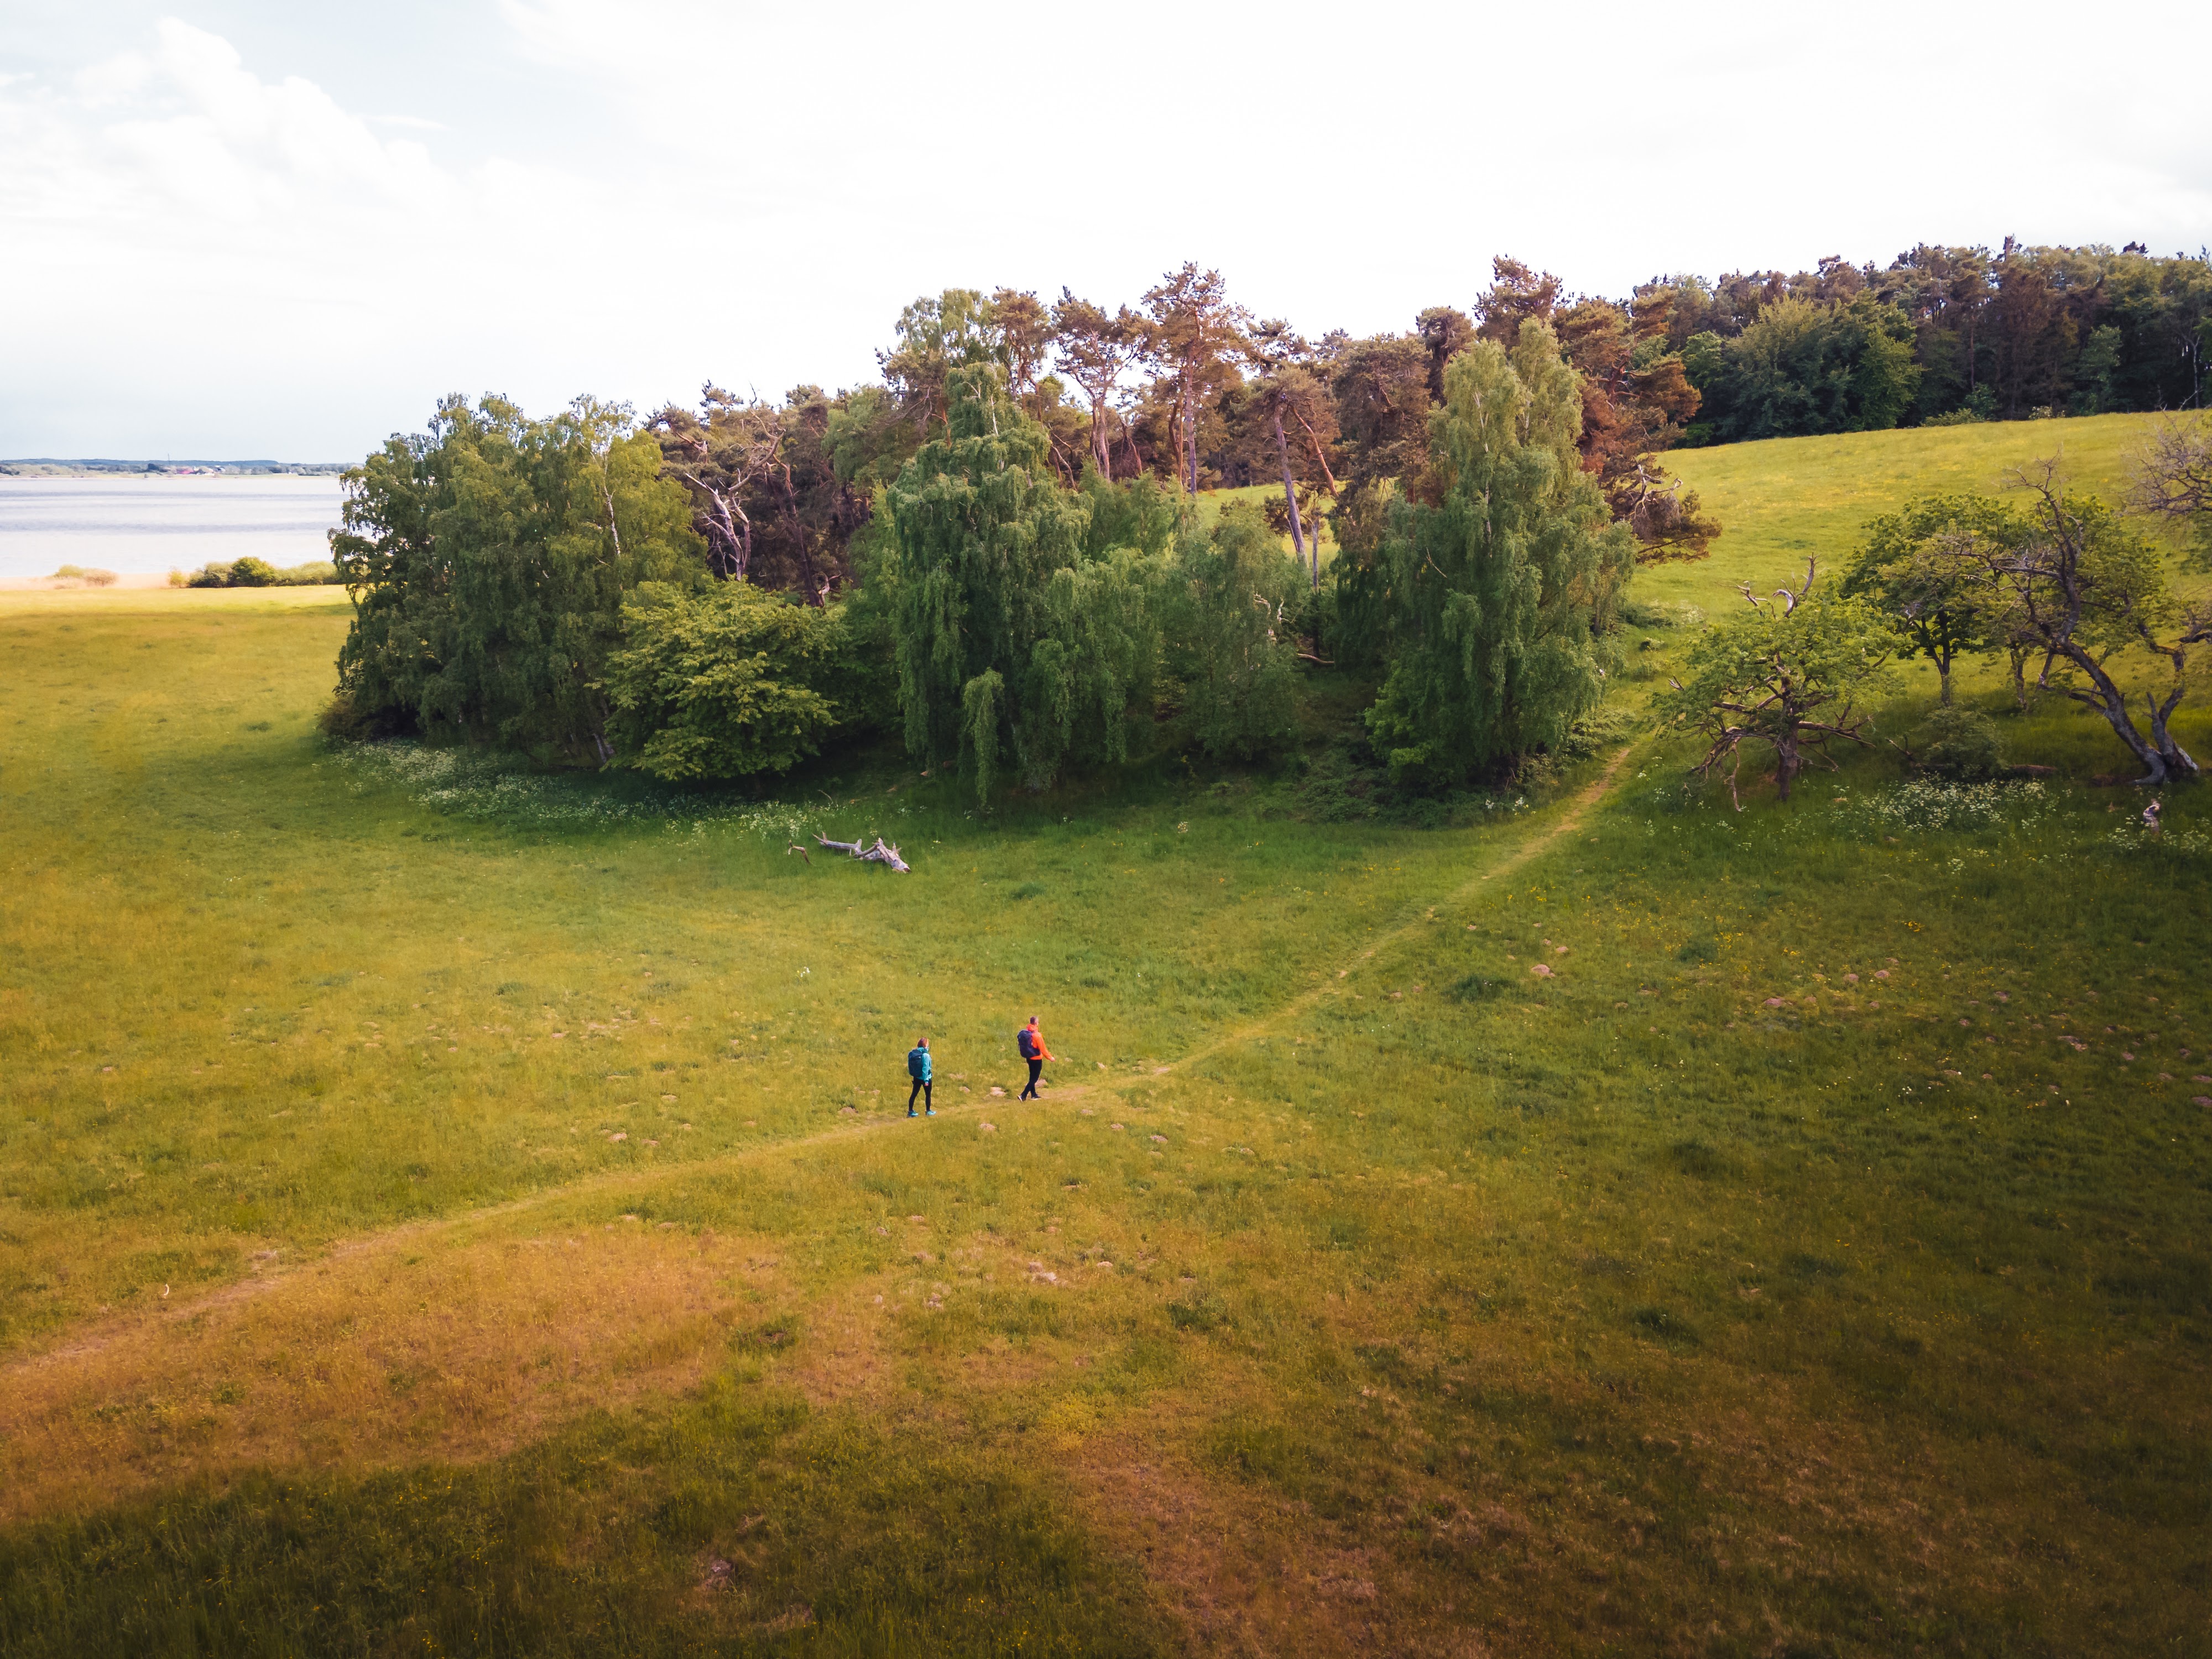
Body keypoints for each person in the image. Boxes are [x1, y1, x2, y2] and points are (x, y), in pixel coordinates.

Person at [1017, 1016, 1053, 1100]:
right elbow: (1043, 1049)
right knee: (1035, 1079)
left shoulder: (1026, 1033)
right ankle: (1023, 1095)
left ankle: (1034, 1095)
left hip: (1029, 1058)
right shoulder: (1037, 1035)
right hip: (1037, 1059)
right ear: (1036, 1023)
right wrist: (1050, 1058)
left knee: (1032, 1077)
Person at [906, 1037, 933, 1117]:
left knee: (914, 1094)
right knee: (928, 1095)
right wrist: (926, 1080)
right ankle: (928, 1111)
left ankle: (910, 1112)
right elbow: (925, 1069)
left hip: (916, 1078)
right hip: (926, 1079)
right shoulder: (926, 1056)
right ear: (925, 1046)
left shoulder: (913, 1053)